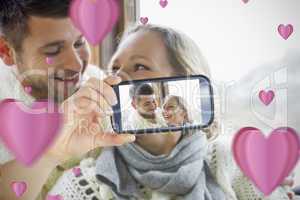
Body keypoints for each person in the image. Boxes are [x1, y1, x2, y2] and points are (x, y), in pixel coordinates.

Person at [39, 24, 294, 200]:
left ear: (184, 85)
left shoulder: (234, 162)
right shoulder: (88, 180)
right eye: (113, 69)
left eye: (140, 66)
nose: (118, 79)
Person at [0, 1, 135, 199]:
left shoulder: (97, 85)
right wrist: (50, 153)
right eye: (53, 51)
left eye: (79, 43)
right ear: (7, 51)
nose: (77, 64)